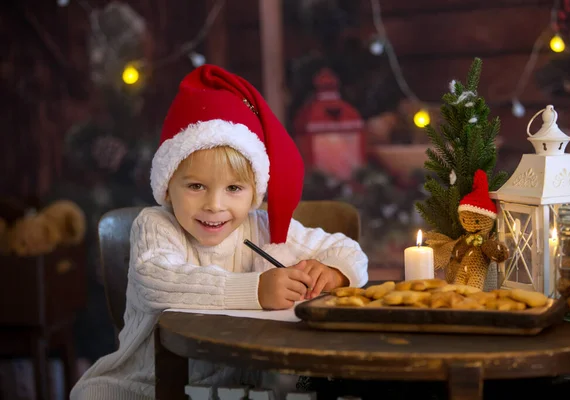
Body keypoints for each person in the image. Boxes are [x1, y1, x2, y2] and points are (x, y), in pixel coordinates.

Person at [70, 64, 369, 399]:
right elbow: (160, 283)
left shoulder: (261, 227)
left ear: (255, 192)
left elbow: (348, 251)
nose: (214, 205)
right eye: (196, 186)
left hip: (235, 389)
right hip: (145, 385)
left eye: (234, 188)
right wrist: (255, 291)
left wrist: (333, 272)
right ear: (168, 186)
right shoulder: (156, 226)